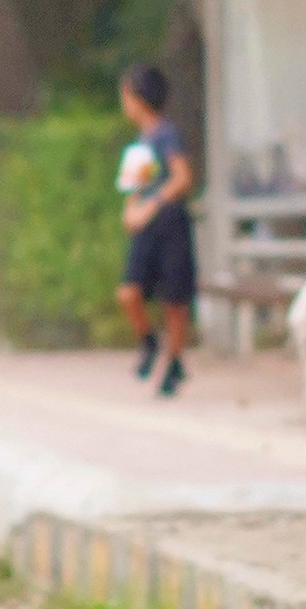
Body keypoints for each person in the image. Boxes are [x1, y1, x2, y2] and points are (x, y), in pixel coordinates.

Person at [115, 64, 195, 397]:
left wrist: (154, 203)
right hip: (146, 228)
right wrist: (131, 210)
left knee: (174, 299)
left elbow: (182, 177)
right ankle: (149, 341)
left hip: (169, 222)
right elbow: (135, 187)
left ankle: (174, 360)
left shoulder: (166, 135)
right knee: (129, 292)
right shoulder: (140, 143)